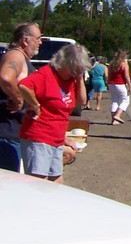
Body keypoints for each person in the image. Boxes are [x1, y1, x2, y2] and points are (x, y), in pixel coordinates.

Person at [18, 43, 91, 182]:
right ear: (65, 63)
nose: (75, 73)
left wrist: (79, 79)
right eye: (74, 69)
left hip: (57, 137)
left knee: (57, 180)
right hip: (40, 136)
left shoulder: (71, 79)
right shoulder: (46, 73)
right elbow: (24, 86)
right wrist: (35, 104)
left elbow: (81, 101)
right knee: (39, 182)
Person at [0, 23, 41, 172]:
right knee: (7, 186)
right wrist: (18, 99)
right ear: (25, 40)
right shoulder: (15, 55)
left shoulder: (21, 58)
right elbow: (5, 77)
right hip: (6, 134)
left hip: (14, 133)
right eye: (38, 38)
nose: (40, 42)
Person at [108, 50, 131, 125]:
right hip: (120, 84)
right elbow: (127, 76)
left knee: (114, 100)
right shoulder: (124, 64)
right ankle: (117, 115)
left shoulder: (112, 64)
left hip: (112, 84)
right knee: (125, 100)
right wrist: (130, 86)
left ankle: (113, 119)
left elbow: (109, 74)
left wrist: (108, 82)